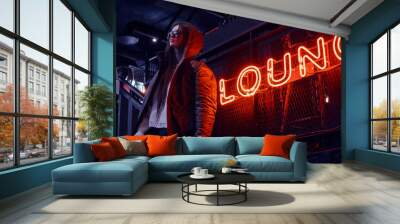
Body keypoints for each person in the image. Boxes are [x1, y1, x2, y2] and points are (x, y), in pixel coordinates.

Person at [134, 22, 217, 136]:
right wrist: (141, 130)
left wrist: (201, 138)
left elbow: (204, 106)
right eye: (170, 34)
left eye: (177, 33)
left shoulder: (198, 70)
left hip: (176, 133)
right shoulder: (163, 71)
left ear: (189, 37)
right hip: (152, 131)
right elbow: (151, 103)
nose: (172, 36)